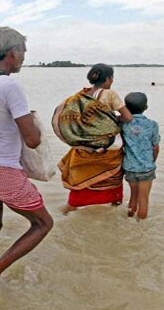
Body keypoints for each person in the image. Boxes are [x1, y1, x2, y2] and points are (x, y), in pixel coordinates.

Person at [0, 27, 53, 289]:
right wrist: (35, 123)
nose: (24, 58)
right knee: (43, 223)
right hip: (2, 168)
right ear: (12, 54)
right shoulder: (9, 84)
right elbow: (32, 140)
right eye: (23, 53)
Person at [56, 64, 133, 212]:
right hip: (108, 148)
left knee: (81, 183)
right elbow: (127, 117)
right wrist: (112, 121)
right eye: (112, 78)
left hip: (85, 146)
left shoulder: (80, 96)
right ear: (109, 79)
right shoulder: (110, 94)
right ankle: (116, 212)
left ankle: (67, 211)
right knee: (113, 184)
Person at [122, 92, 160, 220]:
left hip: (129, 167)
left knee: (133, 196)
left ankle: (129, 218)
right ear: (146, 107)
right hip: (146, 168)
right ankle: (141, 227)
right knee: (143, 200)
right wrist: (152, 160)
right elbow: (155, 147)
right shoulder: (152, 124)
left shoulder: (123, 123)